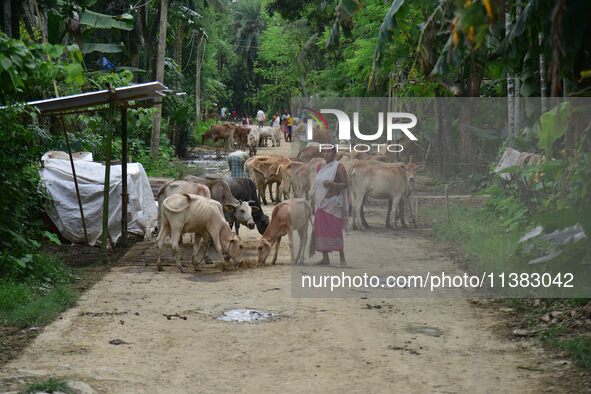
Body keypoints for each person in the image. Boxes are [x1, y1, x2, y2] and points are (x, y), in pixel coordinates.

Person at [312, 146, 348, 266]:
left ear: (334, 153)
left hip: (334, 203)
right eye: (324, 151)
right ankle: (325, 258)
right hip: (321, 202)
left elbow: (345, 184)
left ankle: (342, 258)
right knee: (320, 229)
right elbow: (317, 185)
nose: (326, 154)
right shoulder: (320, 167)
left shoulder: (339, 167)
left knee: (335, 229)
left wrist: (332, 184)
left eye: (329, 151)